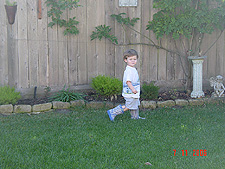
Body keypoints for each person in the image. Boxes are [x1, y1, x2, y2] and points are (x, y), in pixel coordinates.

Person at [107, 49, 145, 121]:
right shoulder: (128, 71)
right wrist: (133, 89)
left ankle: (135, 117)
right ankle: (113, 112)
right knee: (129, 106)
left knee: (135, 105)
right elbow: (128, 82)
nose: (133, 61)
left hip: (134, 93)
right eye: (130, 59)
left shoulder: (133, 69)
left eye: (135, 59)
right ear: (125, 60)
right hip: (130, 92)